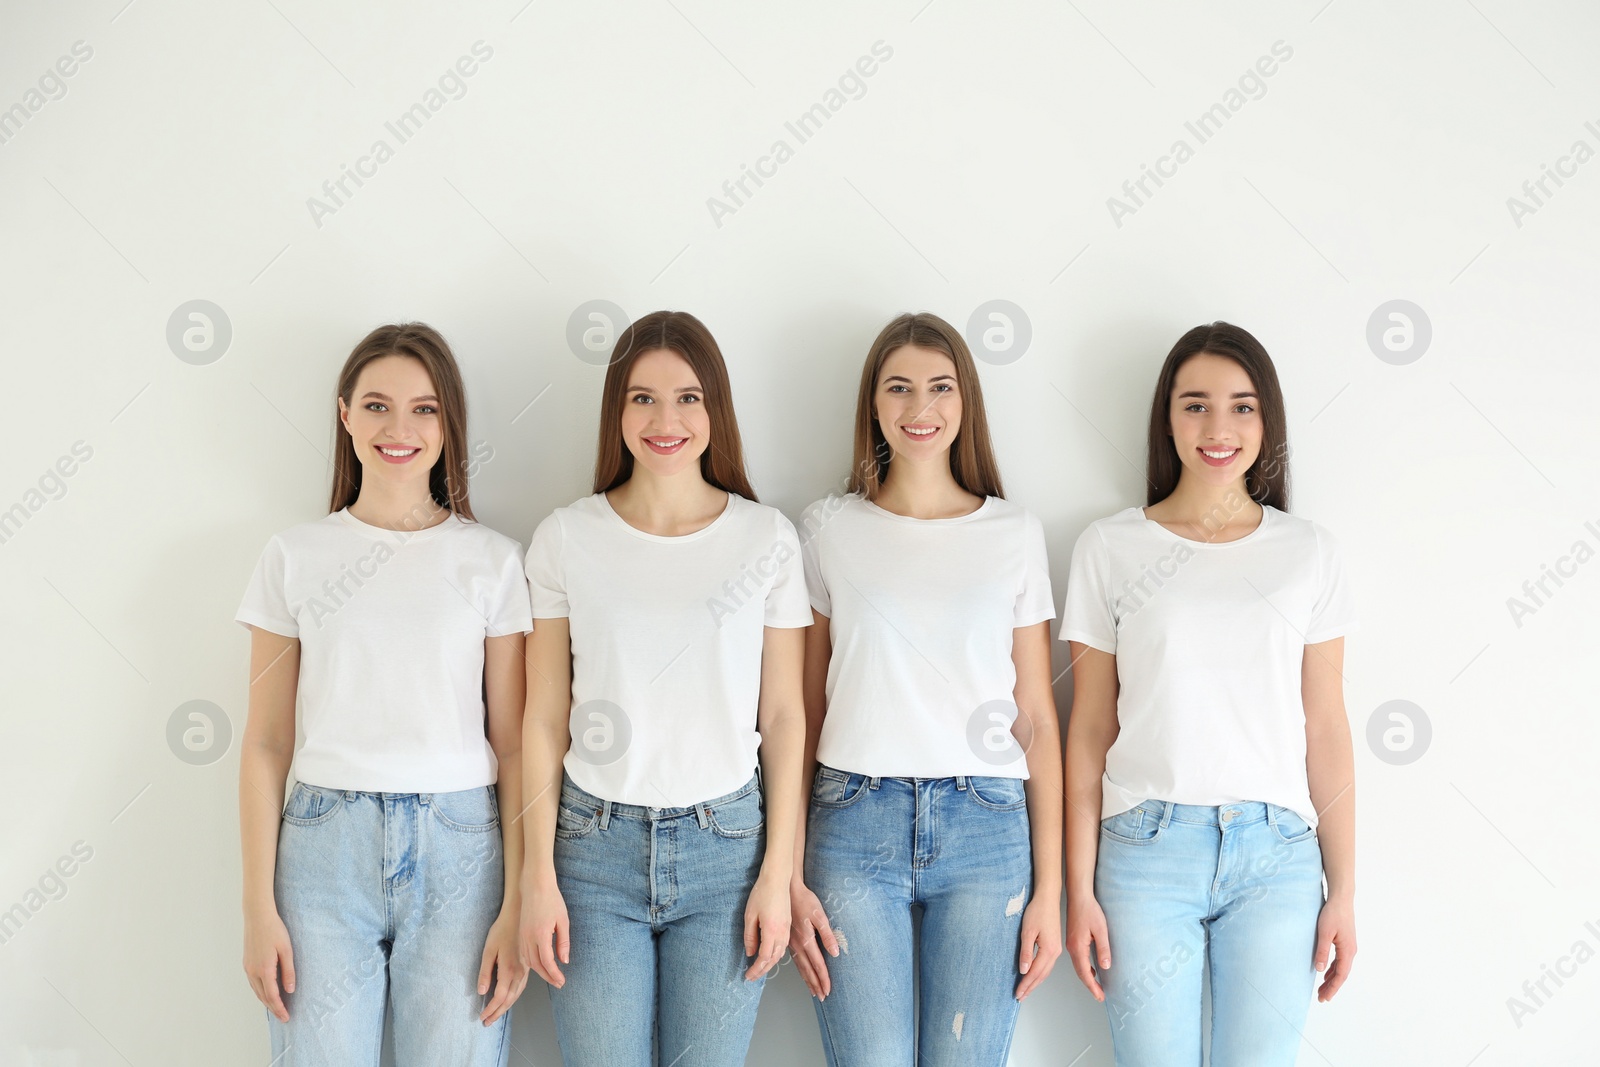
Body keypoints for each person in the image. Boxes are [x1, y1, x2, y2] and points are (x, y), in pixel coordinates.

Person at [517, 310, 809, 1067]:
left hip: (728, 852)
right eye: (642, 397)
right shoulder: (564, 537)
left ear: (716, 408)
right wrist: (535, 876)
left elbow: (782, 717)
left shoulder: (768, 539)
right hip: (591, 850)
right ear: (618, 410)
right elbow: (544, 719)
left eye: (688, 396)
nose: (665, 419)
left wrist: (779, 873)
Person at [1062, 321, 1358, 1065]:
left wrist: (1345, 888)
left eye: (1242, 406)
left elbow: (1325, 726)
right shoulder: (1110, 546)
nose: (1218, 427)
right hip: (1144, 855)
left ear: (1268, 421)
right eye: (1195, 404)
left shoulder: (1309, 551)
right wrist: (1078, 886)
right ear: (1167, 417)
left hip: (1279, 859)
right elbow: (1088, 729)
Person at [237, 323, 532, 1065]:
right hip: (321, 853)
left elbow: (516, 742)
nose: (398, 428)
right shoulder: (294, 556)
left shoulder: (493, 562)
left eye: (424, 409)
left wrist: (518, 899)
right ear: (344, 415)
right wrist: (257, 907)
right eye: (376, 406)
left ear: (448, 422)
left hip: (463, 850)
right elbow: (267, 741)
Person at [788, 311, 1065, 1065]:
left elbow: (1037, 713)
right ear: (873, 405)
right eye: (899, 388)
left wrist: (1052, 888)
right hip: (851, 820)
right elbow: (805, 707)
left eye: (940, 388)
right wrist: (786, 866)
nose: (921, 409)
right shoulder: (826, 528)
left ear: (965, 402)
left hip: (988, 824)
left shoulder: (1013, 534)